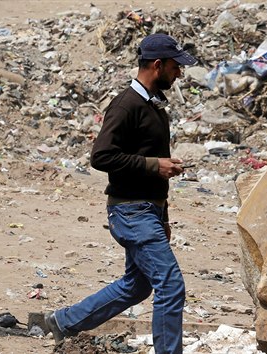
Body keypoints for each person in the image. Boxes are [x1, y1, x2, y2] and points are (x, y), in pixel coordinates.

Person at [44, 33, 197, 354]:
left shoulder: (154, 107)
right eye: (175, 67)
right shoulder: (126, 104)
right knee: (170, 286)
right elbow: (101, 155)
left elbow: (151, 164)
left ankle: (64, 322)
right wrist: (155, 165)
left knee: (138, 285)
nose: (179, 73)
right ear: (157, 65)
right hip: (130, 211)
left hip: (148, 212)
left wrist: (164, 215)